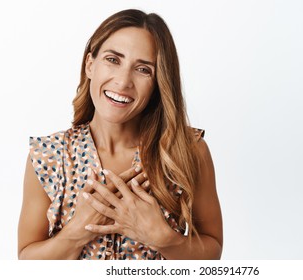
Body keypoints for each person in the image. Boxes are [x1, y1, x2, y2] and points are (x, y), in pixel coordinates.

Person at [18, 9, 223, 260]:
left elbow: (212, 252)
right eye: (113, 60)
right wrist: (77, 231)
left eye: (143, 69)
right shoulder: (48, 156)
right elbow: (26, 263)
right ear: (90, 65)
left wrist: (164, 239)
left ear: (159, 82)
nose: (124, 81)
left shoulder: (187, 150)